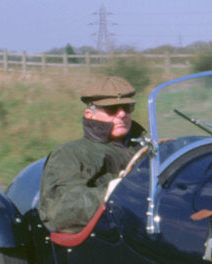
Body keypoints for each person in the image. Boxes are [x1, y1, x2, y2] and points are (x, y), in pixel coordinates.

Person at [38, 75, 146, 233]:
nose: (122, 114)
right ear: (89, 114)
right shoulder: (71, 153)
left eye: (127, 107)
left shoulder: (146, 147)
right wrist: (109, 193)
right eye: (112, 109)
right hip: (110, 236)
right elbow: (57, 209)